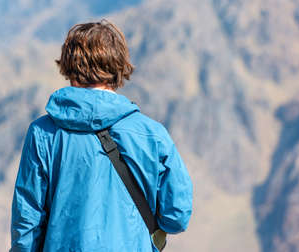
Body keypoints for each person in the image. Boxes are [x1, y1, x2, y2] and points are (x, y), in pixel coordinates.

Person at [10, 20, 193, 252]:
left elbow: (27, 222)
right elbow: (176, 216)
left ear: (69, 68)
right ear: (117, 67)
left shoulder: (42, 133)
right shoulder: (152, 135)